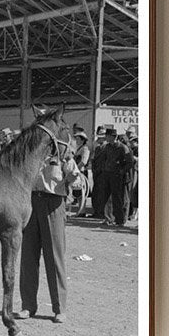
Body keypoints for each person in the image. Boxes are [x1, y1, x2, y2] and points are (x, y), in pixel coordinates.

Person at [17, 146, 80, 323]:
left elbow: (74, 175)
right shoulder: (30, 153)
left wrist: (64, 183)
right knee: (28, 257)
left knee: (54, 257)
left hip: (53, 203)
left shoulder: (62, 153)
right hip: (31, 203)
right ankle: (28, 306)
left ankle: (59, 308)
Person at [91, 126, 134, 226]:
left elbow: (130, 162)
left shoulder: (122, 147)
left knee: (117, 198)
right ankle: (108, 218)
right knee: (105, 197)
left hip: (117, 175)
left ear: (113, 136)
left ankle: (120, 220)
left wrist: (122, 171)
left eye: (107, 135)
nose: (105, 137)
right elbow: (103, 159)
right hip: (107, 174)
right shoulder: (107, 147)